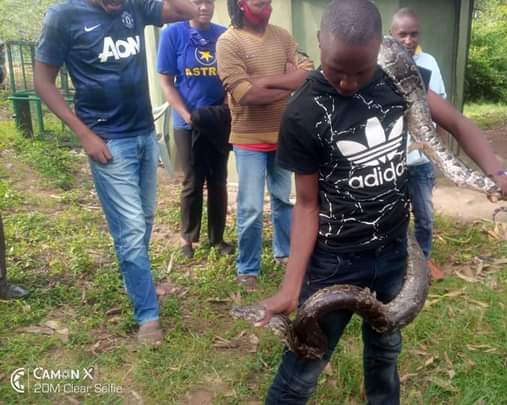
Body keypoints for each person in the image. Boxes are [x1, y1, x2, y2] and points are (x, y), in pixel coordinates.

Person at [258, 0, 507, 403]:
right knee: (303, 366)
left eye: (360, 71)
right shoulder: (302, 113)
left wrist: (498, 172)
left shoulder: (398, 81)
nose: (348, 82)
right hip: (335, 260)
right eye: (336, 69)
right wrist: (290, 287)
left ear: (377, 54)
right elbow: (307, 205)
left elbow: (456, 121)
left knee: (385, 354)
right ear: (318, 44)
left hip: (394, 251)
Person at [34, 0, 198, 345]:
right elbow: (43, 81)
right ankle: (148, 315)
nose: (116, 3)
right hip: (107, 141)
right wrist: (84, 134)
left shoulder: (135, 6)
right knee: (131, 228)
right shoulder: (63, 16)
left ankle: (137, 282)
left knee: (145, 219)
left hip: (142, 134)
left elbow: (186, 11)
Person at [216, 0, 312, 292]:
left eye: (269, 3)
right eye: (260, 3)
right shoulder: (228, 42)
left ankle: (284, 254)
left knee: (283, 200)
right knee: (250, 208)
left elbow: (307, 72)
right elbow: (245, 95)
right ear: (241, 5)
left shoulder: (282, 36)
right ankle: (247, 268)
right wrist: (288, 81)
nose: (267, 7)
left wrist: (265, 81)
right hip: (249, 138)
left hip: (284, 136)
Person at [157, 0, 234, 259]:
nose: (204, 7)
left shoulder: (223, 35)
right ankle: (187, 239)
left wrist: (224, 110)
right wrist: (186, 115)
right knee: (192, 181)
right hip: (186, 123)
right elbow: (166, 83)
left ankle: (217, 238)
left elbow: (230, 80)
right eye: (197, 2)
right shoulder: (173, 34)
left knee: (218, 180)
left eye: (209, 2)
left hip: (217, 121)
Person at [390, 7, 447, 281]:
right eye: (403, 34)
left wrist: (439, 157)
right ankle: (400, 263)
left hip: (422, 162)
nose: (408, 40)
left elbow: (441, 112)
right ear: (392, 34)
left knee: (424, 217)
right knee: (395, 217)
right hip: (392, 163)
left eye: (413, 34)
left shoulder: (430, 63)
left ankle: (423, 260)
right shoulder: (383, 63)